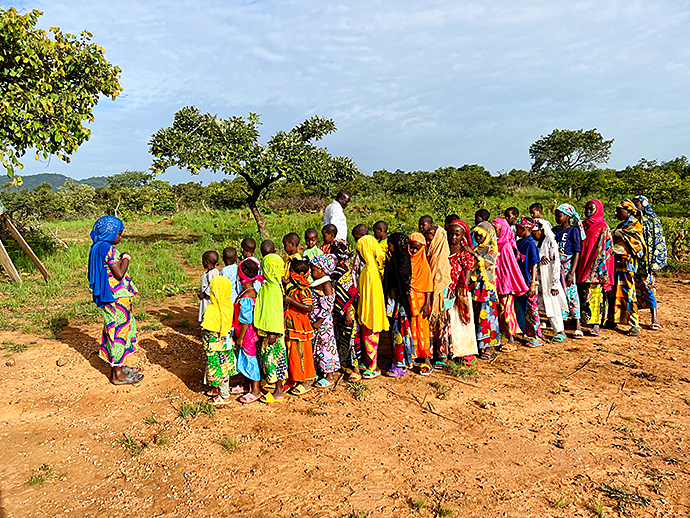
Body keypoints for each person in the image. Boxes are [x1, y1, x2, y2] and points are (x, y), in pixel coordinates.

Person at [88, 216, 143, 385]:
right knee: (119, 333)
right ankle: (118, 375)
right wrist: (126, 258)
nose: (120, 237)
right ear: (110, 233)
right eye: (119, 234)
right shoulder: (109, 249)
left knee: (112, 329)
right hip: (117, 297)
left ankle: (117, 366)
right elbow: (119, 274)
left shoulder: (96, 247)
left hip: (108, 296)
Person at [254, 246, 288, 403]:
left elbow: (273, 312)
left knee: (274, 362)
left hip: (272, 333)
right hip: (270, 332)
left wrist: (272, 332)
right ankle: (275, 387)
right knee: (272, 361)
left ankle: (278, 391)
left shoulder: (271, 289)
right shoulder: (274, 285)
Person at [576, 199, 614, 337]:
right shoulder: (583, 225)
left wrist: (600, 267)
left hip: (595, 266)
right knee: (581, 294)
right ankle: (580, 321)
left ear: (598, 210)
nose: (587, 211)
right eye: (586, 208)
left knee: (595, 294)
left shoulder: (603, 227)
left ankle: (595, 325)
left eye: (591, 209)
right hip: (581, 263)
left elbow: (607, 249)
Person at [611, 199, 646, 336]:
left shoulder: (635, 225)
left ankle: (634, 324)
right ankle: (613, 319)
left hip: (628, 264)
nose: (618, 214)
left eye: (620, 212)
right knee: (615, 292)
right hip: (617, 263)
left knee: (628, 293)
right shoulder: (622, 224)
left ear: (628, 211)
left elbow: (640, 247)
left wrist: (623, 236)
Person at [492, 217, 528, 351]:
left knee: (507, 312)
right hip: (493, 283)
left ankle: (511, 340)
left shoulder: (506, 246)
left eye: (496, 229)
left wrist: (512, 284)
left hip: (504, 284)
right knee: (495, 312)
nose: (494, 232)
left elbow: (511, 267)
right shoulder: (492, 245)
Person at [201, 276, 237, 406]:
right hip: (225, 343)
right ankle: (221, 389)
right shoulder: (228, 305)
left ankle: (224, 395)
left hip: (214, 346)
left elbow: (206, 328)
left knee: (218, 368)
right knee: (225, 366)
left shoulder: (212, 309)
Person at [356, 234, 388, 379]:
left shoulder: (369, 271)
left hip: (370, 311)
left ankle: (372, 367)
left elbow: (368, 295)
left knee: (370, 339)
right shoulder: (373, 267)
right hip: (371, 310)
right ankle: (369, 363)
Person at [633, 195, 667, 330]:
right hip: (634, 260)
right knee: (633, 289)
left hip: (647, 262)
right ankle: (633, 319)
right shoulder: (634, 220)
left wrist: (655, 263)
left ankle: (654, 317)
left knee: (649, 288)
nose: (635, 207)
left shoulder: (652, 221)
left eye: (637, 204)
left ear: (643, 205)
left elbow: (658, 243)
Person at [447, 220, 478, 365]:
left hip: (459, 292)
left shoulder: (464, 253)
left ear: (463, 235)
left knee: (461, 322)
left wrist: (461, 292)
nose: (453, 237)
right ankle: (450, 350)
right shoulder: (445, 249)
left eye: (457, 234)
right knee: (449, 322)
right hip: (446, 292)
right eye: (451, 233)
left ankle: (465, 351)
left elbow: (466, 274)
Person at [383, 232, 414, 376]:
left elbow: (402, 279)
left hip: (400, 303)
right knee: (394, 332)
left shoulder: (403, 260)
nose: (388, 248)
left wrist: (391, 263)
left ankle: (400, 363)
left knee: (400, 333)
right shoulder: (395, 258)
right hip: (394, 301)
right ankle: (395, 359)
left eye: (390, 245)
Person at [331, 241, 362, 382]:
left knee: (351, 338)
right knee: (344, 337)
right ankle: (346, 365)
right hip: (342, 310)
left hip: (346, 310)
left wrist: (347, 312)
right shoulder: (344, 267)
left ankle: (356, 370)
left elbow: (349, 293)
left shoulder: (341, 271)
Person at [283, 259, 316, 396]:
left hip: (300, 327)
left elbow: (309, 307)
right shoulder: (293, 288)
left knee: (301, 353)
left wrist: (291, 301)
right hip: (292, 325)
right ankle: (297, 378)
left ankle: (305, 382)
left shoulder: (304, 290)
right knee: (294, 353)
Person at [469, 222, 501, 360]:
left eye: (480, 235)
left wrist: (473, 254)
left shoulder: (491, 249)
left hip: (487, 288)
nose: (477, 237)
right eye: (476, 234)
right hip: (476, 286)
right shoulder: (477, 248)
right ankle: (479, 343)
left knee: (488, 315)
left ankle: (489, 345)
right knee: (477, 314)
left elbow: (488, 263)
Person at [531, 221, 567, 342]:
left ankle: (560, 331)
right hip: (538, 279)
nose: (532, 233)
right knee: (538, 305)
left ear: (541, 231)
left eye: (534, 231)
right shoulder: (535, 242)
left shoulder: (551, 243)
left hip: (549, 278)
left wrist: (555, 284)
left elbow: (556, 263)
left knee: (553, 304)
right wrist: (540, 259)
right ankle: (537, 331)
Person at [233, 259, 262, 404]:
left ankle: (256, 390)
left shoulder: (246, 297)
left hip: (247, 334)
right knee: (244, 357)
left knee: (250, 360)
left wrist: (240, 338)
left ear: (239, 278)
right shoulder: (250, 292)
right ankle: (245, 385)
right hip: (245, 333)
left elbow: (246, 320)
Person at [424, 224, 453, 368]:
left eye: (430, 240)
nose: (428, 243)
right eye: (427, 240)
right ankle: (431, 353)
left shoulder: (441, 257)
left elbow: (444, 278)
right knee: (431, 325)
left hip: (442, 295)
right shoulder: (427, 255)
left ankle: (443, 355)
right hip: (429, 295)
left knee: (441, 324)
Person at [309, 254, 340, 387]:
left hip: (323, 322)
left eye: (314, 269)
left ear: (322, 270)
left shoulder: (326, 284)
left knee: (326, 347)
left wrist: (320, 320)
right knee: (317, 346)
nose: (311, 272)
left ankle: (330, 375)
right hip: (316, 321)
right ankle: (321, 371)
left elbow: (329, 304)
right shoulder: (317, 283)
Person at [554, 204, 584, 338]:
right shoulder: (555, 230)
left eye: (559, 215)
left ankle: (578, 325)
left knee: (572, 293)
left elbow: (577, 252)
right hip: (556, 267)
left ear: (567, 216)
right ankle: (562, 323)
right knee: (559, 294)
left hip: (567, 267)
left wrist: (572, 273)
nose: (556, 218)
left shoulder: (573, 231)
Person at [515, 217, 544, 347]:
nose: (516, 230)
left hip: (529, 280)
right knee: (524, 307)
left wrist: (533, 283)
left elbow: (534, 264)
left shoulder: (530, 243)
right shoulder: (522, 242)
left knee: (532, 307)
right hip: (522, 279)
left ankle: (537, 336)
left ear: (525, 229)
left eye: (518, 228)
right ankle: (527, 331)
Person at [408, 232, 434, 374]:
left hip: (421, 302)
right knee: (411, 330)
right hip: (409, 303)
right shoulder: (406, 262)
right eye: (412, 247)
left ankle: (426, 359)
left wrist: (426, 304)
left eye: (417, 248)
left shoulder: (423, 266)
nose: (414, 251)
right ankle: (412, 356)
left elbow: (428, 287)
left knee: (422, 330)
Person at [198, 250, 220, 324]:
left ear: (207, 262)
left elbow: (212, 285)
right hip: (207, 298)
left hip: (208, 299)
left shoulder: (212, 273)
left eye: (203, 261)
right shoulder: (214, 271)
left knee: (206, 314)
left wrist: (204, 294)